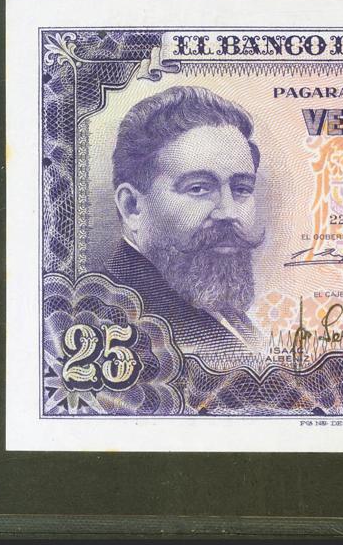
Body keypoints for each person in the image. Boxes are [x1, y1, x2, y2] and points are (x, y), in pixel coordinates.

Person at [106, 85, 265, 365]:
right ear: (132, 206)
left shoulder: (208, 300)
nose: (229, 212)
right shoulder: (118, 319)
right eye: (198, 188)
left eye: (241, 188)